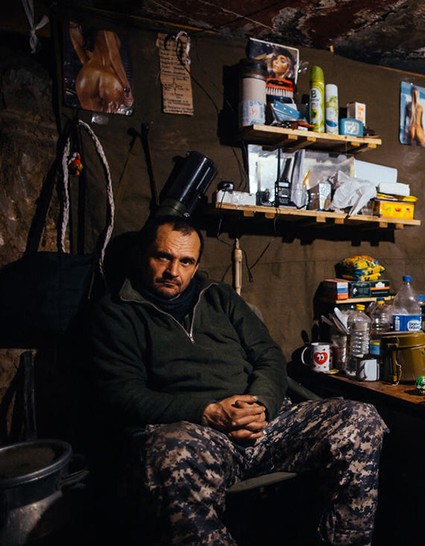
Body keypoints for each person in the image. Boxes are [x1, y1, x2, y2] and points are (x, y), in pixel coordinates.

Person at [87, 215, 387, 545]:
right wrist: (207, 411)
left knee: (360, 418)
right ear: (143, 255)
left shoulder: (219, 297)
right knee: (170, 455)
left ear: (196, 265)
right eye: (163, 257)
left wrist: (260, 405)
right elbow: (123, 394)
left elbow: (268, 356)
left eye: (186, 261)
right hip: (196, 433)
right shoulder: (117, 313)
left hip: (263, 422)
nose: (174, 271)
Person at [69, 22, 133, 115]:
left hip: (90, 70)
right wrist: (126, 87)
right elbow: (113, 55)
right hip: (96, 68)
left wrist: (127, 87)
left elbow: (113, 55)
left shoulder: (75, 31)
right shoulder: (104, 28)